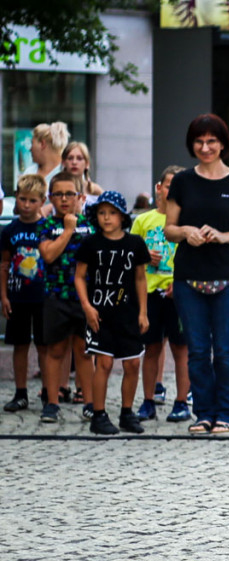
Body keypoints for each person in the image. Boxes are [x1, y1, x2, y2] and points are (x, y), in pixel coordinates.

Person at [164, 113, 229, 435]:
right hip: (188, 276)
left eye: (211, 141)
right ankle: (202, 413)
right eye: (199, 141)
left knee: (226, 349)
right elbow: (169, 229)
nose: (205, 147)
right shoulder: (182, 181)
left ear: (223, 144)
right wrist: (186, 231)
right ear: (192, 145)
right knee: (198, 350)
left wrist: (222, 236)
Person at [73, 191, 149, 435]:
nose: (106, 218)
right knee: (103, 363)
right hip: (99, 314)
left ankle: (127, 413)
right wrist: (86, 306)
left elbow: (140, 278)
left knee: (133, 363)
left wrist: (143, 312)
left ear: (122, 216)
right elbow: (79, 277)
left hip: (128, 313)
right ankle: (99, 414)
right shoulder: (90, 244)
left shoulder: (135, 243)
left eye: (112, 213)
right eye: (102, 213)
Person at [132, 165, 191, 423]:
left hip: (178, 293)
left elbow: (195, 256)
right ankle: (148, 401)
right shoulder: (143, 220)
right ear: (160, 188)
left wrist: (181, 283)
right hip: (150, 292)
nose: (173, 190)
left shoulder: (189, 219)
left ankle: (181, 402)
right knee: (152, 348)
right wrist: (144, 254)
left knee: (181, 349)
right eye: (169, 185)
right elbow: (129, 253)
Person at [38, 172, 95, 423]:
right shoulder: (46, 226)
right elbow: (48, 255)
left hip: (84, 298)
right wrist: (68, 231)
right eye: (58, 194)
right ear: (50, 197)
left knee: (84, 350)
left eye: (69, 194)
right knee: (56, 350)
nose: (63, 199)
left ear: (80, 197)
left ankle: (92, 403)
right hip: (56, 296)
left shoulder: (90, 225)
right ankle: (51, 403)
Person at [1, 174, 47, 412]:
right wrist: (4, 296)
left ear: (42, 201)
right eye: (22, 199)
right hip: (18, 295)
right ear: (16, 199)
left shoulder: (47, 229)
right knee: (19, 345)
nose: (26, 205)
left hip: (43, 296)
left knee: (45, 346)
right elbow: (4, 263)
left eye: (32, 200)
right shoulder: (10, 230)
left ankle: (49, 392)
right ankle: (20, 393)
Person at [24, 122, 69, 188]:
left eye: (32, 143)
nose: (30, 149)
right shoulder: (29, 172)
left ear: (42, 144)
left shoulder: (68, 172)